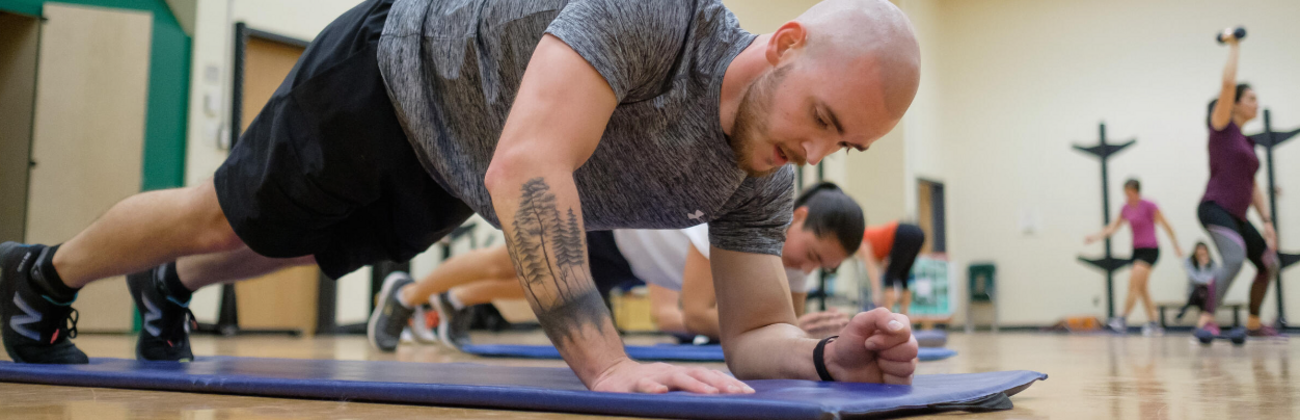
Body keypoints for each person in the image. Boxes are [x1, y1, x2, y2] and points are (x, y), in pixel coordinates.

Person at [0, 0, 922, 393]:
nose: (817, 148)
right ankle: (42, 276)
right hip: (394, 73)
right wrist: (605, 365)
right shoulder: (663, 18)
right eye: (824, 117)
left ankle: (171, 287)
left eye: (847, 143)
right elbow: (528, 168)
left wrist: (832, 355)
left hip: (453, 166)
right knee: (229, 213)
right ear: (789, 44)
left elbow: (753, 332)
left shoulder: (765, 176)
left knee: (296, 245)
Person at [369, 182, 861, 350]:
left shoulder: (795, 261)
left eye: (823, 268)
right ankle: (406, 295)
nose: (807, 269)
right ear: (797, 218)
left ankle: (452, 301)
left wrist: (803, 335)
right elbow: (696, 315)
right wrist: (789, 329)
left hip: (630, 262)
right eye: (813, 254)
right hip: (614, 223)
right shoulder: (743, 223)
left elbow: (783, 329)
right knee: (508, 260)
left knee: (533, 286)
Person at [1195, 27, 1281, 339]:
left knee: (1268, 264)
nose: (1256, 103)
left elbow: (1253, 185)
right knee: (1233, 258)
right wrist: (1234, 45)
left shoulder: (1247, 142)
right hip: (1215, 207)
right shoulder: (1221, 126)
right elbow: (1228, 84)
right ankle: (1206, 319)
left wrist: (1267, 221)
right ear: (1234, 104)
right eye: (1251, 98)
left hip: (1239, 214)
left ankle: (1254, 324)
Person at [1085, 179, 1183, 336]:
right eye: (1126, 194)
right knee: (1143, 288)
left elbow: (1166, 224)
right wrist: (1096, 237)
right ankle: (1154, 323)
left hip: (1150, 250)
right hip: (1136, 251)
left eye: (1130, 194)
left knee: (1133, 282)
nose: (1128, 197)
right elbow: (1113, 227)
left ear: (1137, 192)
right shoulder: (1125, 208)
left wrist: (1176, 245)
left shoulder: (1149, 206)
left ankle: (1122, 319)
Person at [858, 221, 925, 315]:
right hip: (919, 234)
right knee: (903, 276)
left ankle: (887, 316)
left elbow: (871, 268)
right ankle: (905, 316)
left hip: (901, 232)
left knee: (890, 277)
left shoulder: (863, 239)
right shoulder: (877, 244)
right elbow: (883, 265)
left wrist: (876, 293)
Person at [1175, 242, 1217, 323]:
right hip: (1193, 293)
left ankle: (1185, 309)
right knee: (1200, 290)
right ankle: (1205, 320)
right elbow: (1194, 278)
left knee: (1203, 291)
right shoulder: (1190, 261)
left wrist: (1204, 266)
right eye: (1199, 249)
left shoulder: (1212, 263)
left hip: (1206, 293)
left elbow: (1212, 278)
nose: (1201, 252)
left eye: (1203, 249)